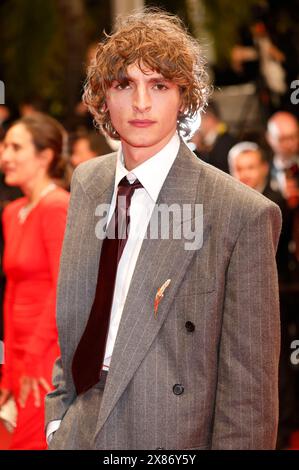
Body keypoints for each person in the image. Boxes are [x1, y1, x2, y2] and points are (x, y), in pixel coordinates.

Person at [45, 9, 282, 450]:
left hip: (169, 436)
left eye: (159, 85)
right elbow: (80, 312)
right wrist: (58, 420)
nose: (140, 103)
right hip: (79, 429)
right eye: (123, 85)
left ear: (184, 97)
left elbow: (249, 393)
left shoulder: (240, 214)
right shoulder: (88, 181)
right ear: (101, 97)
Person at [0, 113, 69, 449]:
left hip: (46, 354)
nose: (4, 156)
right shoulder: (13, 212)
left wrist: (32, 359)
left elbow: (63, 289)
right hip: (16, 354)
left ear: (45, 156)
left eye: (15, 147)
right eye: (4, 146)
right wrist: (9, 366)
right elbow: (11, 290)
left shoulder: (57, 206)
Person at [191, 101, 236, 174]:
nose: (197, 126)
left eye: (198, 119)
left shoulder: (224, 142)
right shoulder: (213, 141)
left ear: (210, 118)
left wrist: (199, 150)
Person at [266, 111, 299, 197]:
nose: (289, 144)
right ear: (269, 138)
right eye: (282, 139)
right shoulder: (264, 170)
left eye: (293, 137)